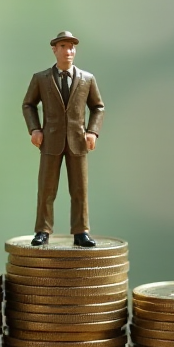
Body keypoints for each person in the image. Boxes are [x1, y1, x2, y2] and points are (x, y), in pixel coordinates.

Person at [22, 31, 105, 247]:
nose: (69, 51)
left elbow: (98, 107)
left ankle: (81, 231)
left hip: (78, 142)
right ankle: (42, 230)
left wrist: (92, 131)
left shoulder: (87, 79)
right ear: (55, 49)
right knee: (47, 188)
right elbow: (28, 104)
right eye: (64, 47)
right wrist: (34, 129)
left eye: (72, 47)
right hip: (50, 141)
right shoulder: (41, 78)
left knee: (79, 189)